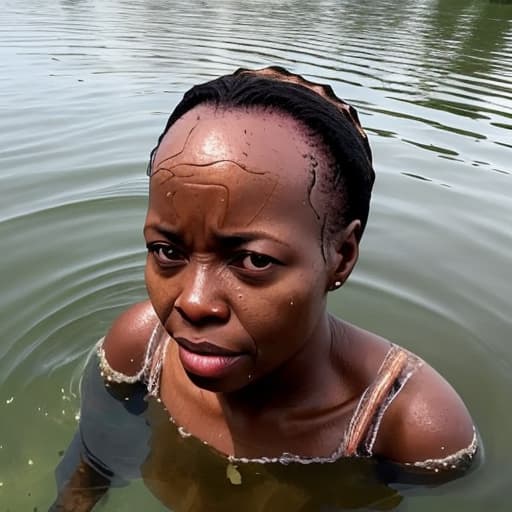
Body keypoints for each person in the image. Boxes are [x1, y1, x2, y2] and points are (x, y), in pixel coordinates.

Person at [50, 67, 478, 512]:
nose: (194, 302)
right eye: (167, 251)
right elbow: (88, 475)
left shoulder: (407, 429)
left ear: (343, 256)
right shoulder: (140, 351)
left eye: (254, 261)